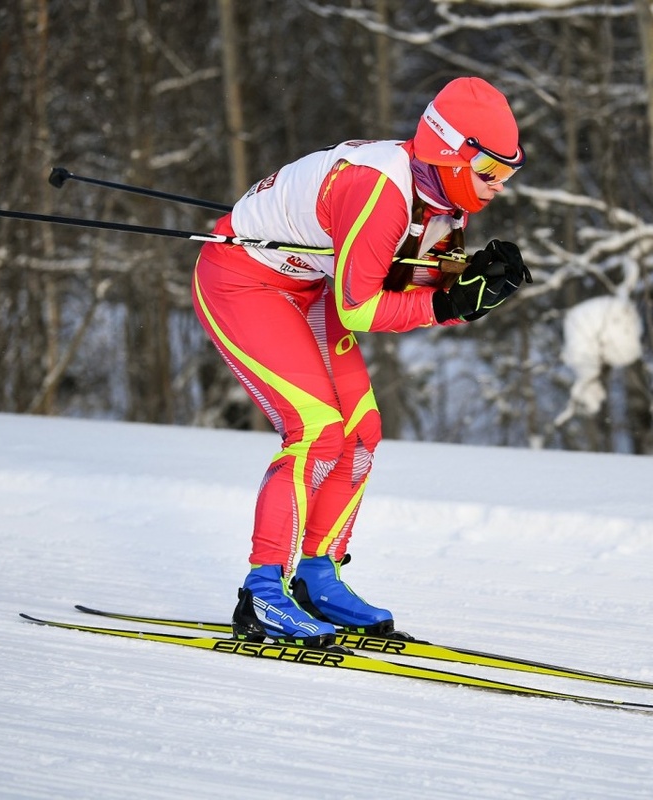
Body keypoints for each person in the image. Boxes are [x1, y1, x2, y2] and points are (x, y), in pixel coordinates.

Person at [191, 76, 530, 647]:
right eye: (489, 170)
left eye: (509, 173)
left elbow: (414, 287)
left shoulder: (446, 198)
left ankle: (316, 576)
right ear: (452, 152)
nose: (498, 186)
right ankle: (262, 592)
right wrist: (448, 302)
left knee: (361, 431)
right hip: (243, 284)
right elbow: (362, 308)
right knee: (316, 431)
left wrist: (471, 288)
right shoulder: (382, 190)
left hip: (308, 287)